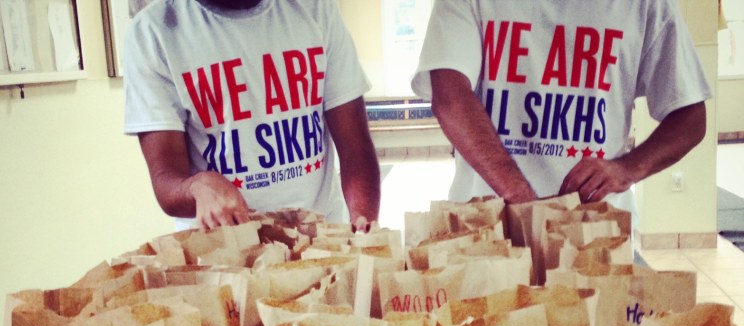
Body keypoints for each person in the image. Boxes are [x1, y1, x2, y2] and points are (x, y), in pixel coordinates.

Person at [411, 0, 713, 213]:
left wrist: (628, 168)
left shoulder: (646, 4)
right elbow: (450, 96)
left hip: (594, 230)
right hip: (488, 222)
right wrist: (519, 195)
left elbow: (689, 114)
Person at [123, 0, 380, 232]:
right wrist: (197, 187)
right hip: (223, 249)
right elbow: (165, 180)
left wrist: (362, 225)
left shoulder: (316, 9)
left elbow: (355, 147)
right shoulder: (153, 33)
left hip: (319, 238)